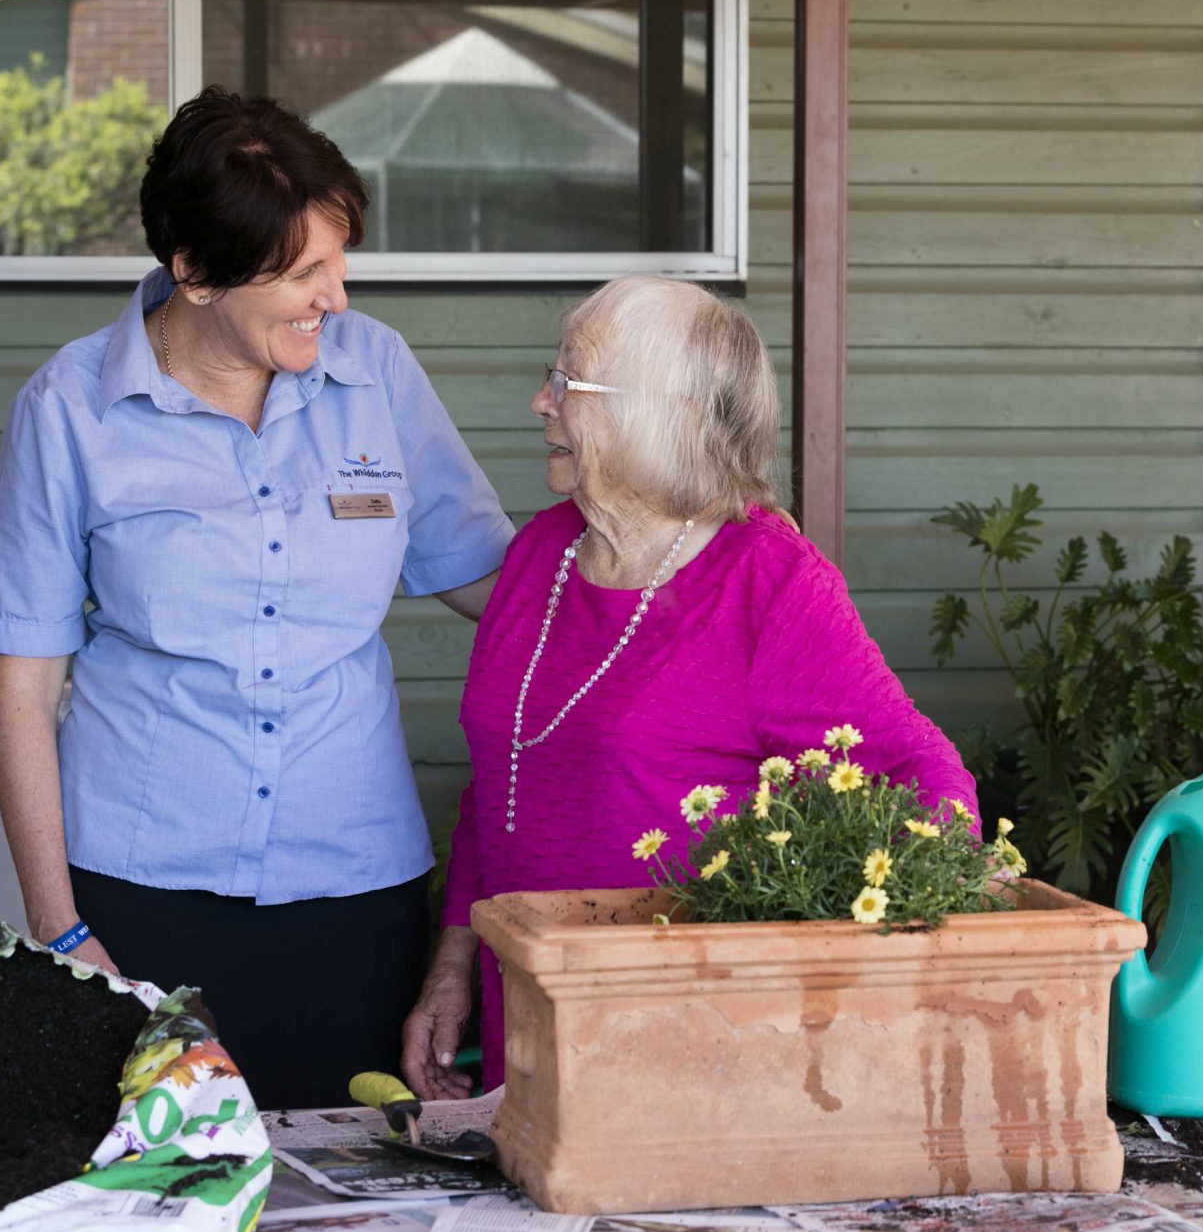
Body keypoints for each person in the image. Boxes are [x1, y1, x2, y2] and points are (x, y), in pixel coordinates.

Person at [0, 89, 513, 1107]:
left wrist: (663, 581)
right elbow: (24, 689)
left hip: (355, 882)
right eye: (304, 272)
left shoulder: (378, 374)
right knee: (145, 1192)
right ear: (195, 272)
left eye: (338, 262)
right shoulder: (67, 410)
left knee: (354, 1207)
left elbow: (488, 578)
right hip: (138, 887)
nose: (336, 297)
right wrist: (62, 929)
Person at [400, 275, 979, 1100]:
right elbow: (500, 784)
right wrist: (451, 966)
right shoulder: (542, 557)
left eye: (568, 382)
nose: (541, 401)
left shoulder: (769, 583)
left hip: (691, 1060)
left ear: (657, 413)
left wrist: (853, 996)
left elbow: (924, 779)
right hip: (523, 1037)